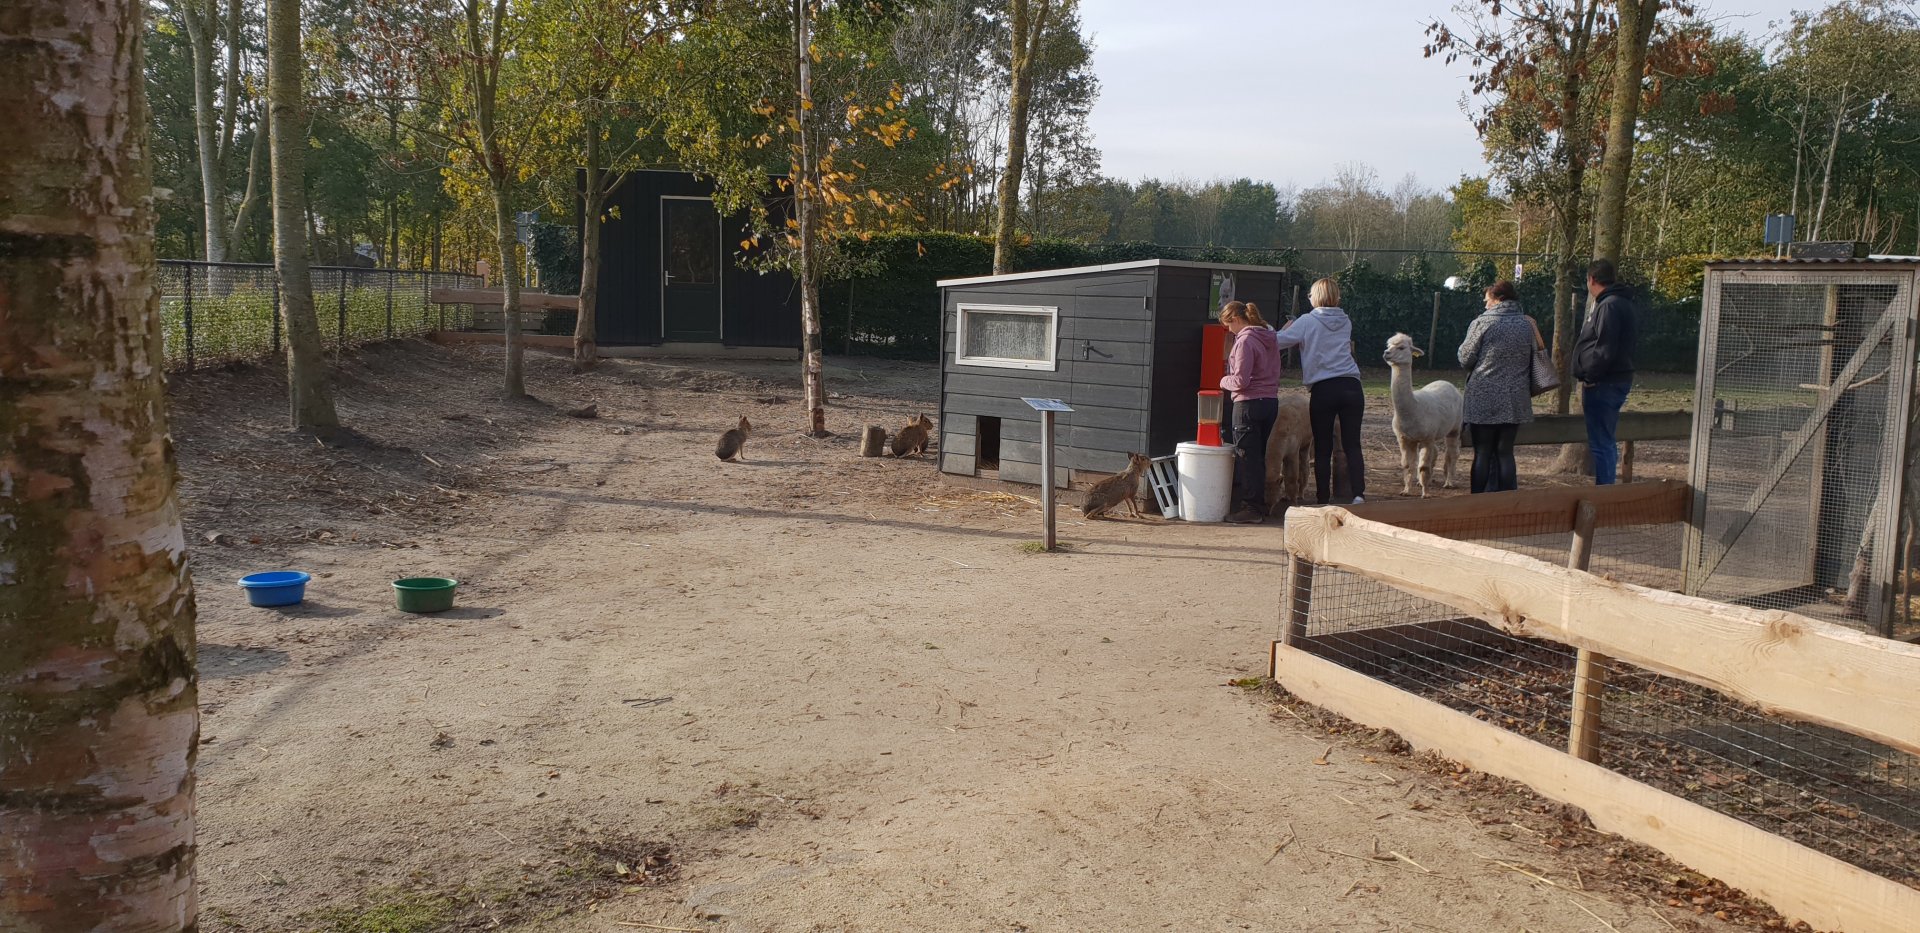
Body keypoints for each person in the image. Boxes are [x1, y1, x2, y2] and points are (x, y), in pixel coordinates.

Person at [1275, 278, 1366, 505]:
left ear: (1315, 297)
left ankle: (1323, 497)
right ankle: (1358, 495)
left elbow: (1279, 342)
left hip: (1324, 387)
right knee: (1352, 443)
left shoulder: (1307, 321)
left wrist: (1285, 329)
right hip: (1352, 385)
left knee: (1323, 446)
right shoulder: (1345, 320)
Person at [1457, 281, 1536, 494]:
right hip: (1515, 397)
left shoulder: (1483, 322)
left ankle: (1477, 501)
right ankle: (1508, 501)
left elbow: (1465, 358)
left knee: (1482, 452)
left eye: (1487, 300)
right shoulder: (1526, 324)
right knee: (1505, 452)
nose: (1485, 305)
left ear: (1497, 298)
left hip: (1485, 395)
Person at [1574, 258, 1638, 485]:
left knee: (1602, 442)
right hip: (1614, 378)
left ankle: (1605, 490)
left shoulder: (1608, 305)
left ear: (1592, 279)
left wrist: (1591, 376)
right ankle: (1605, 487)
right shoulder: (1621, 302)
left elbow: (1604, 347)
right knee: (1604, 440)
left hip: (1604, 383)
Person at [1219, 301, 1281, 524]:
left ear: (1235, 319)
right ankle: (1261, 504)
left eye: (1228, 325)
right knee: (1258, 456)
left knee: (1246, 457)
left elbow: (1241, 381)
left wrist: (1223, 379)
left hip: (1248, 405)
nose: (1228, 330)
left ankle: (1250, 508)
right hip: (1270, 402)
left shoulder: (1244, 341)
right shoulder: (1269, 338)